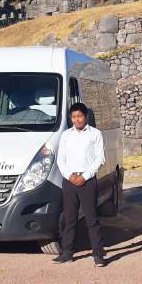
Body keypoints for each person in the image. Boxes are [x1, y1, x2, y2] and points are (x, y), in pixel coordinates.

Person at [51, 102, 107, 267]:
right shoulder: (66, 135)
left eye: (79, 116)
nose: (77, 120)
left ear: (86, 116)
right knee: (69, 218)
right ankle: (67, 253)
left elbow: (100, 158)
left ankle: (98, 254)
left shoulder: (95, 134)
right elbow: (60, 159)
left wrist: (85, 176)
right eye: (74, 117)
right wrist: (69, 175)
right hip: (69, 181)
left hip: (87, 181)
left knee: (91, 219)